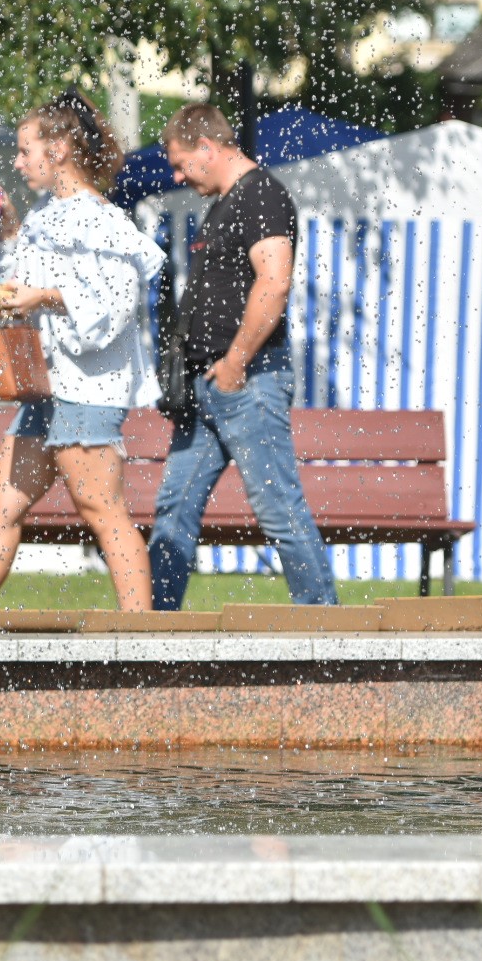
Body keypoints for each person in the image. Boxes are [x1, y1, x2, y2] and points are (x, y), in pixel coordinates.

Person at [0, 91, 162, 612]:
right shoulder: (48, 215)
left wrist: (41, 297)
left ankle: (144, 635)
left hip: (87, 389)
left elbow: (117, 305)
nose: (18, 162)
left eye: (26, 150)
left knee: (102, 509)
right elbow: (21, 284)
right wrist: (10, 235)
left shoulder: (101, 219)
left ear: (60, 148)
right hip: (47, 386)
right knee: (1, 506)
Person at [147, 103, 338, 610]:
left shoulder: (262, 195)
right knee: (174, 508)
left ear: (208, 147)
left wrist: (234, 362)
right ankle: (155, 628)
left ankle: (327, 627)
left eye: (181, 163)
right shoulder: (224, 203)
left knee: (279, 510)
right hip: (211, 386)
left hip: (248, 379)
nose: (178, 176)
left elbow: (274, 283)